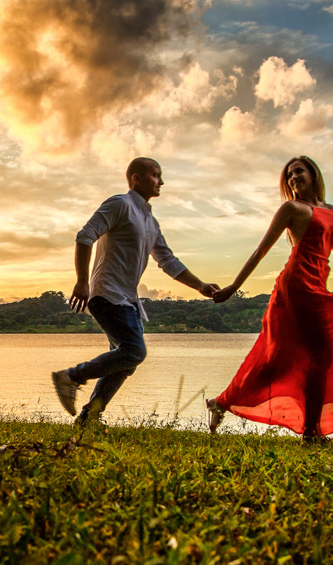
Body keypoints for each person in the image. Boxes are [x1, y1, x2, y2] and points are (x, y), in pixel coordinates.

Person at [206, 155, 333, 440]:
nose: (293, 178)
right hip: (295, 288)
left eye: (298, 172)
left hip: (318, 288)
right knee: (313, 357)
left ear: (313, 174)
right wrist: (234, 288)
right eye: (289, 176)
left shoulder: (330, 210)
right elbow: (260, 251)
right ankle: (310, 432)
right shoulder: (291, 208)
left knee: (294, 360)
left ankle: (221, 403)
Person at [52, 157, 218, 425]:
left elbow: (168, 261)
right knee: (134, 352)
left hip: (127, 300)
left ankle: (89, 416)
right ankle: (71, 376)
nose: (161, 181)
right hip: (106, 294)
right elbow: (85, 236)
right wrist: (82, 281)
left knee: (126, 362)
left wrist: (200, 286)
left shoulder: (150, 221)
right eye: (155, 175)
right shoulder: (120, 204)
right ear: (136, 178)